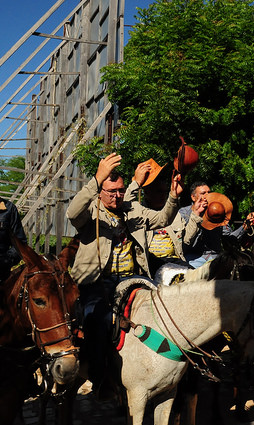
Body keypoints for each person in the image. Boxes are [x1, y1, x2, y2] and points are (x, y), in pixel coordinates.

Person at [66, 153, 183, 393]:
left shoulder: (133, 210)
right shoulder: (90, 213)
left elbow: (163, 218)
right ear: (100, 191)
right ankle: (100, 378)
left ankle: (165, 367)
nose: (118, 195)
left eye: (121, 190)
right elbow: (72, 213)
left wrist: (173, 196)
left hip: (133, 278)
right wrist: (97, 179)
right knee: (96, 319)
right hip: (98, 282)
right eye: (111, 191)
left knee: (162, 309)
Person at [124, 159, 198, 272]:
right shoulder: (138, 213)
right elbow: (125, 204)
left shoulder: (174, 215)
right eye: (159, 192)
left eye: (165, 192)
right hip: (151, 264)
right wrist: (136, 183)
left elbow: (186, 241)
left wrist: (196, 215)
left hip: (174, 261)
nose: (163, 195)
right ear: (147, 192)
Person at [178, 182, 239, 268]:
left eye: (209, 193)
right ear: (193, 197)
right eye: (203, 193)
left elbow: (229, 237)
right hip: (192, 258)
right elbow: (185, 243)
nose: (207, 196)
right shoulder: (183, 213)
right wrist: (198, 215)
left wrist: (245, 227)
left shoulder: (216, 211)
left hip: (215, 257)